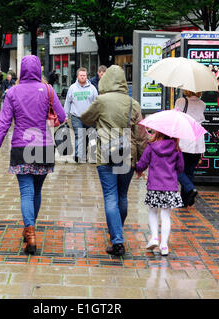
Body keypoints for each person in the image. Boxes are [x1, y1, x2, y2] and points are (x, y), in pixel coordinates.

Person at [0, 55, 66, 255]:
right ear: (38, 70)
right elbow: (63, 117)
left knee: (26, 192)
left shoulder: (12, 92)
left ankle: (29, 232)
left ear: (22, 71)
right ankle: (30, 228)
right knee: (36, 192)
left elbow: (3, 122)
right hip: (44, 147)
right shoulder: (48, 90)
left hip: (22, 147)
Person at [81, 65, 147, 256]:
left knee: (110, 197)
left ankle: (117, 239)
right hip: (127, 154)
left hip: (104, 153)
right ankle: (117, 228)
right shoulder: (133, 103)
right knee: (122, 196)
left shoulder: (101, 101)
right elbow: (141, 135)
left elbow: (85, 118)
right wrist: (141, 162)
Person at [135, 131, 184, 256]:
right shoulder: (176, 149)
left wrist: (138, 169)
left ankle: (155, 238)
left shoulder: (151, 147)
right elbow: (180, 168)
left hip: (154, 185)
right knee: (166, 215)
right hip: (170, 186)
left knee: (152, 211)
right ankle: (164, 245)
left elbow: (142, 163)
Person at [174, 90, 206, 207]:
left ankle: (190, 188)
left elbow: (175, 118)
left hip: (185, 139)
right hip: (198, 141)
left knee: (177, 168)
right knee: (189, 171)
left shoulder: (181, 101)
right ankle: (185, 201)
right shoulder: (203, 104)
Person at [64, 67, 98, 163]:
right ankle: (80, 157)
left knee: (91, 137)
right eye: (81, 75)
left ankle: (92, 156)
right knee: (80, 136)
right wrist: (65, 116)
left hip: (90, 118)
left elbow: (97, 103)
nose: (83, 77)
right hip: (76, 117)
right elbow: (67, 103)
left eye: (84, 75)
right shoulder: (72, 88)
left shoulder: (92, 89)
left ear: (87, 76)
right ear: (77, 76)